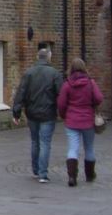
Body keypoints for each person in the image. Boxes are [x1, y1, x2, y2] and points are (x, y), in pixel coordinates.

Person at [11, 47, 64, 183]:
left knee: (35, 142)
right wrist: (63, 111)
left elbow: (20, 93)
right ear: (49, 57)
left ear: (37, 57)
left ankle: (36, 170)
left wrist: (16, 113)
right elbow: (61, 95)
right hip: (48, 113)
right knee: (45, 143)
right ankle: (43, 174)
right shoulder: (55, 74)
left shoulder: (29, 73)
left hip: (32, 113)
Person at [57, 58, 103, 186]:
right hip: (88, 120)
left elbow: (61, 103)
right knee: (89, 148)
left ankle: (72, 177)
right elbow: (99, 98)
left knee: (73, 148)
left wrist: (63, 115)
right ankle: (89, 175)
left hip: (72, 121)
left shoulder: (67, 84)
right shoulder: (90, 83)